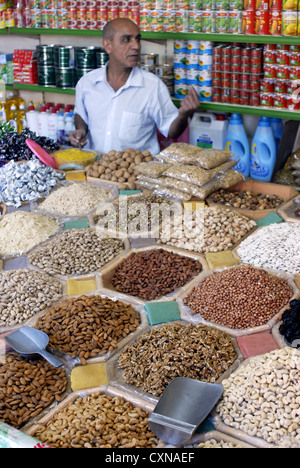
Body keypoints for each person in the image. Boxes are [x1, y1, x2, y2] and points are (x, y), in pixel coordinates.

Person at [69, 18, 200, 156]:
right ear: (108, 46)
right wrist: (81, 131)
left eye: (137, 39)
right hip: (95, 169)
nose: (136, 46)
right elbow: (81, 114)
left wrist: (183, 115)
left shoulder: (152, 86)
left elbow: (171, 131)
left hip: (136, 173)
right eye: (126, 40)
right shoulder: (87, 82)